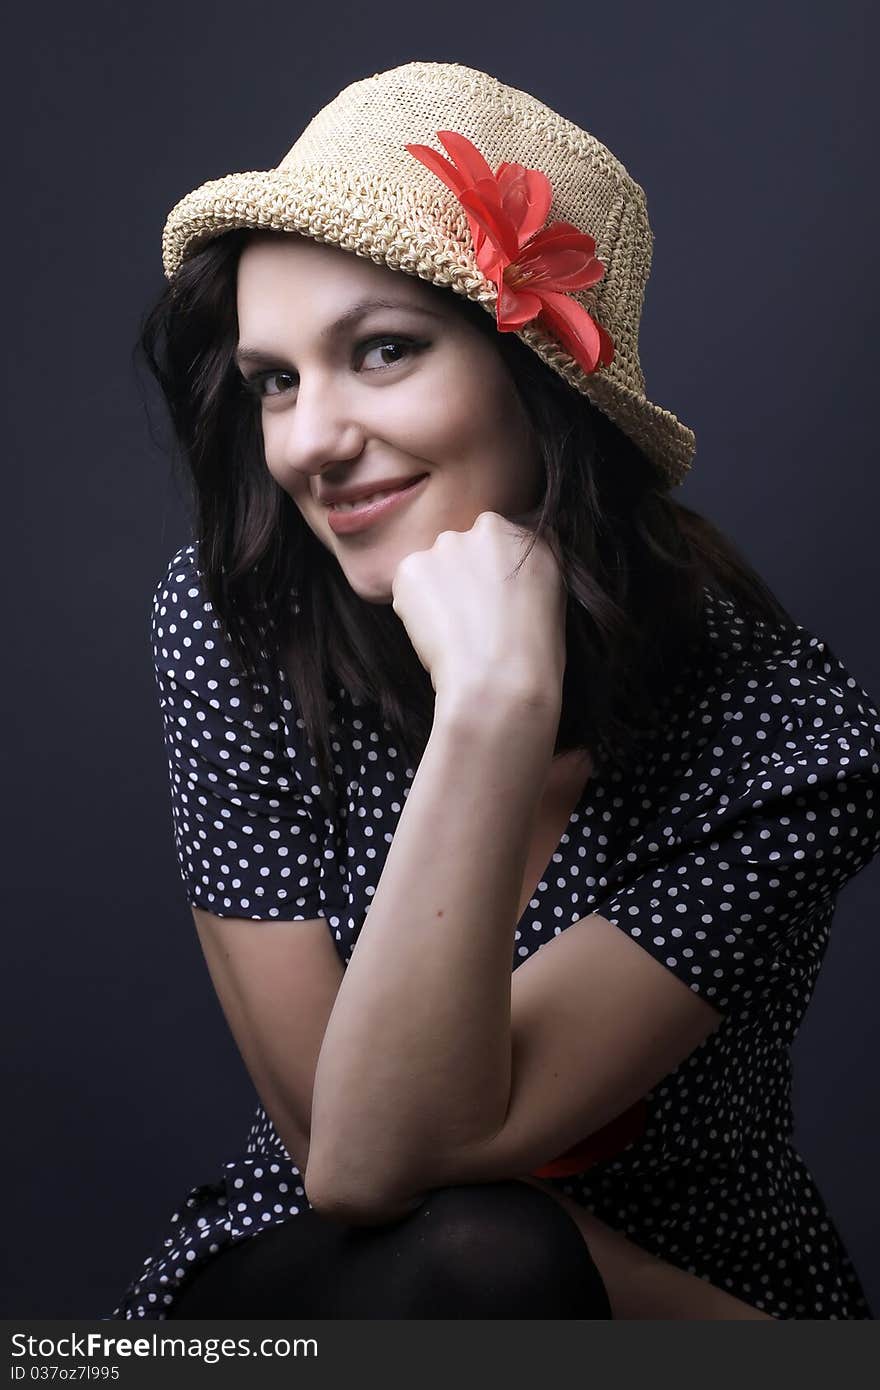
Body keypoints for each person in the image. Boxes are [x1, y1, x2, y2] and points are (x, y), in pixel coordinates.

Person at [109, 61, 880, 1321]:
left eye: (384, 351)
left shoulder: (785, 735)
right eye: (276, 379)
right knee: (478, 1249)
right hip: (320, 1281)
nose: (306, 441)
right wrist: (491, 714)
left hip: (676, 1296)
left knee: (497, 1252)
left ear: (546, 385)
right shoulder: (238, 615)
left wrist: (499, 698)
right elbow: (352, 1158)